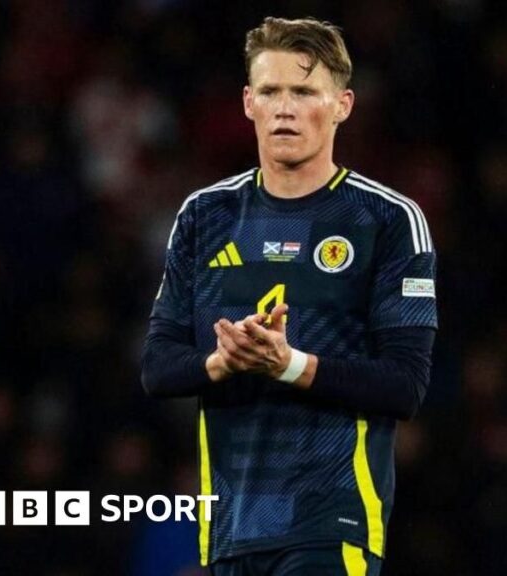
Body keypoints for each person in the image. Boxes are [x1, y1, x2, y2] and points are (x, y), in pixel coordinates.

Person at [141, 17, 437, 576]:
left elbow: (406, 384)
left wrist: (290, 364)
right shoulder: (206, 215)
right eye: (271, 91)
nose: (285, 107)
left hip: (332, 522)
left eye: (304, 91)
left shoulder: (388, 220)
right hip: (230, 528)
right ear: (248, 102)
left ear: (343, 104)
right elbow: (157, 368)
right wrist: (221, 361)